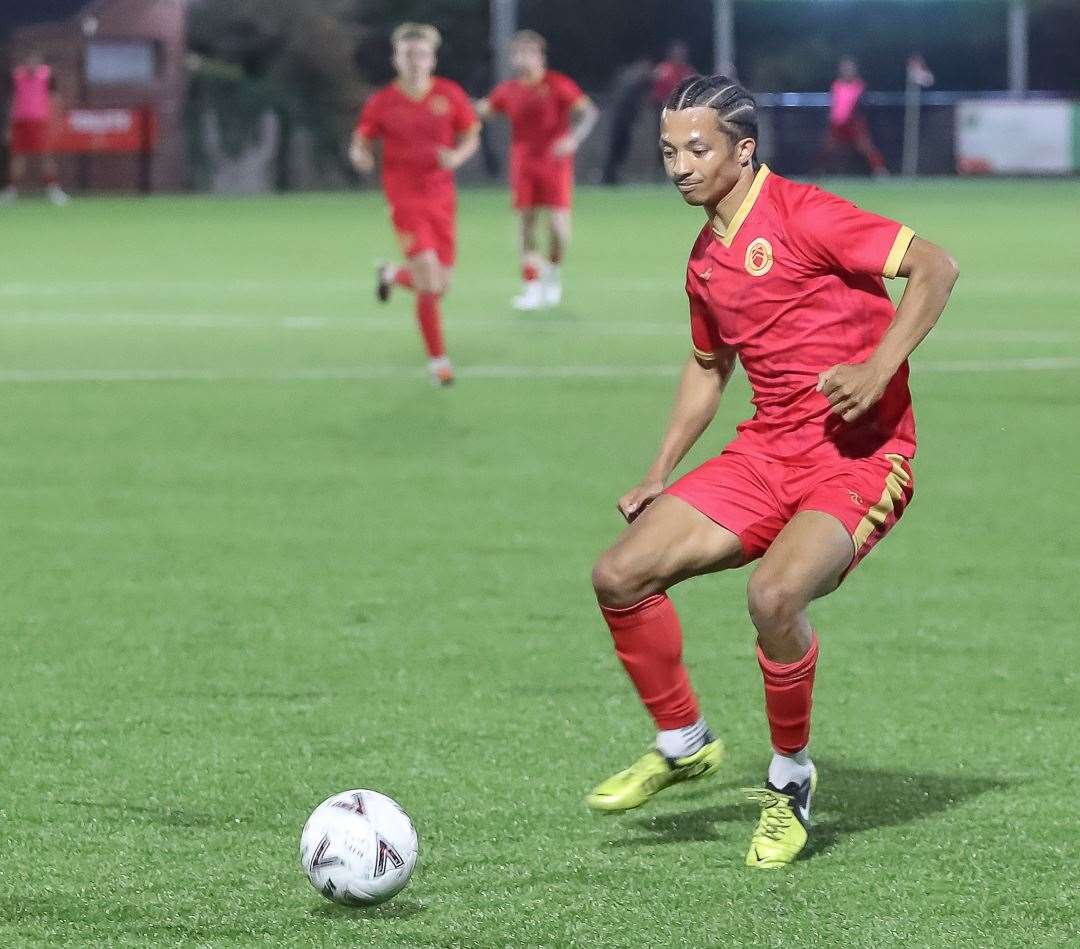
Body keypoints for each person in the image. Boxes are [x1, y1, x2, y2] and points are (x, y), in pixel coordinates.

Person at [585, 75, 958, 869]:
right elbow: (706, 365)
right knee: (620, 572)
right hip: (766, 453)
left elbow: (937, 266)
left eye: (697, 149)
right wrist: (660, 470)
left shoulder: (806, 213)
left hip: (860, 457)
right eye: (668, 152)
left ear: (742, 149)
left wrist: (877, 363)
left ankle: (790, 781)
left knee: (775, 595)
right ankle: (683, 741)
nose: (679, 166)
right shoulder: (705, 260)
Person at [350, 23, 479, 387]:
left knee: (439, 286)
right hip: (404, 199)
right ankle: (439, 363)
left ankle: (391, 274)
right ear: (395, 59)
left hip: (442, 199)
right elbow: (360, 139)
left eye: (421, 54)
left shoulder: (449, 95)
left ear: (432, 58)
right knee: (427, 281)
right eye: (407, 55)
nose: (415, 61)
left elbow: (472, 135)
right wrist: (359, 155)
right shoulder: (382, 102)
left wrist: (456, 158)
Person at [477, 31, 598, 310]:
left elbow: (589, 112)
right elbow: (482, 111)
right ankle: (531, 285)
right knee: (526, 225)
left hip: (555, 164)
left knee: (558, 229)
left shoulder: (557, 84)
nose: (523, 58)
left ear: (540, 56)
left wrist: (573, 139)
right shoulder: (508, 90)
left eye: (529, 52)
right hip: (523, 164)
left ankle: (552, 274)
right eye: (518, 53)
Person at [3, 51, 69, 205]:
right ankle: (11, 191)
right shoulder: (17, 77)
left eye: (35, 61)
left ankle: (53, 190)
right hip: (20, 122)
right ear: (26, 62)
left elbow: (55, 98)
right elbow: (11, 100)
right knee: (18, 157)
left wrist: (56, 121)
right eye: (29, 61)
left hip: (40, 122)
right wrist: (8, 126)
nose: (32, 64)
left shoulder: (47, 76)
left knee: (46, 156)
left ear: (39, 62)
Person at [819, 56, 887, 177]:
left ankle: (879, 170)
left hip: (854, 122)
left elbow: (863, 104)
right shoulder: (836, 85)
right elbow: (835, 104)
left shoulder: (859, 85)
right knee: (829, 147)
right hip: (837, 122)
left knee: (865, 146)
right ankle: (820, 171)